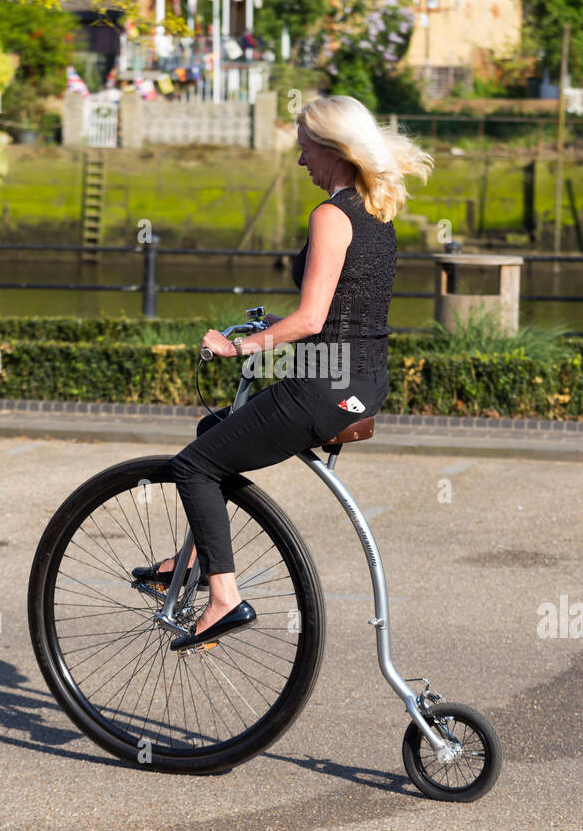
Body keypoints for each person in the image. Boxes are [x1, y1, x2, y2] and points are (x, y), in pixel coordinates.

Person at [145, 95, 434, 650]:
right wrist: (272, 326)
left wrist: (241, 348)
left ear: (332, 150)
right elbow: (347, 312)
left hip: (323, 386)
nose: (301, 160)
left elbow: (312, 318)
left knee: (192, 467)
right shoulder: (376, 212)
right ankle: (203, 556)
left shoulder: (330, 215)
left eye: (305, 148)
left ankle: (224, 598)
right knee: (215, 434)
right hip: (362, 380)